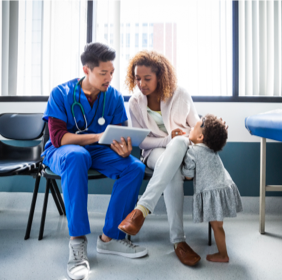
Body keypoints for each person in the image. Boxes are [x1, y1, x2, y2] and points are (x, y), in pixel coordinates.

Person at [42, 42, 147, 280]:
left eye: (111, 72)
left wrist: (122, 148)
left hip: (98, 151)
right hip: (64, 151)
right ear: (86, 70)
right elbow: (59, 138)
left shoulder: (113, 97)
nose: (109, 77)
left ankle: (110, 238)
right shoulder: (61, 93)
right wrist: (96, 137)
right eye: (103, 73)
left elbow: (119, 134)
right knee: (78, 156)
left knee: (134, 167)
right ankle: (77, 243)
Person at [118, 50, 201, 266]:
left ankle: (141, 210)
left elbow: (196, 126)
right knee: (172, 171)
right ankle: (179, 242)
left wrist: (190, 135)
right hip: (153, 151)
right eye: (137, 78)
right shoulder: (135, 102)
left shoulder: (180, 94)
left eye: (147, 78)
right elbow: (141, 141)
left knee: (180, 141)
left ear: (160, 76)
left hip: (182, 149)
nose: (141, 84)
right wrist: (167, 141)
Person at [182, 114, 243, 262]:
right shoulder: (212, 148)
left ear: (201, 137)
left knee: (217, 227)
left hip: (212, 191)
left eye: (193, 128)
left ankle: (223, 255)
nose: (190, 128)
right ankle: (223, 253)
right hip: (223, 187)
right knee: (219, 226)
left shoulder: (192, 152)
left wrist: (182, 162)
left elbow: (188, 176)